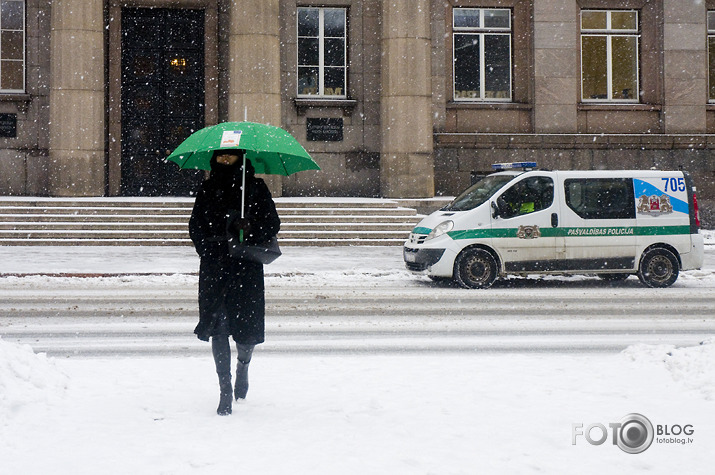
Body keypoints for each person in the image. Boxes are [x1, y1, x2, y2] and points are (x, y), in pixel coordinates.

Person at [189, 149, 281, 415]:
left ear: (240, 159)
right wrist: (208, 247)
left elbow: (272, 224)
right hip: (215, 267)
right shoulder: (207, 188)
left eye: (230, 157)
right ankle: (224, 389)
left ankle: (243, 365)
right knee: (218, 325)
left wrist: (251, 227)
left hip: (246, 268)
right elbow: (195, 225)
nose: (225, 161)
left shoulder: (255, 187)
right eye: (221, 157)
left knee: (246, 328)